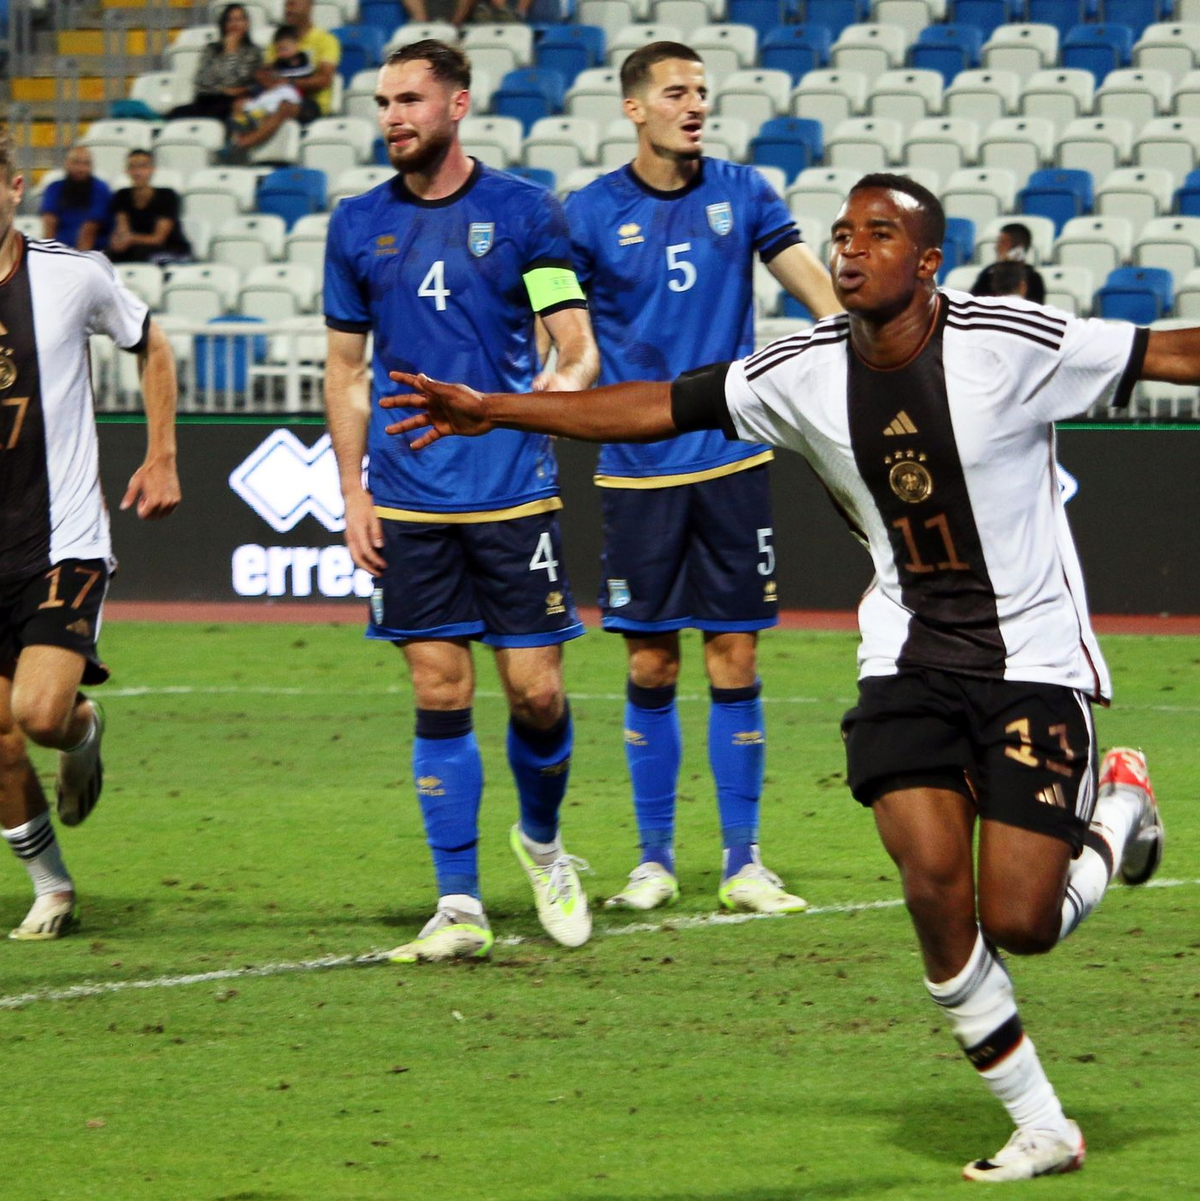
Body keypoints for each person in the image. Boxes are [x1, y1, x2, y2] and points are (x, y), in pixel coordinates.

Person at [384, 173, 1178, 1182]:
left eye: (879, 235)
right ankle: (1043, 1125)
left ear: (928, 263)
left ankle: (1116, 809)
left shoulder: (1010, 341)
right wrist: (499, 408)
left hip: (1033, 659)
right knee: (935, 891)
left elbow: (1173, 352)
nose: (849, 249)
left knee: (1023, 919)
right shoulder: (801, 369)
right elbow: (658, 407)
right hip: (907, 655)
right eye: (842, 233)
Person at [323, 41, 601, 964]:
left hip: (512, 494)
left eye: (410, 99)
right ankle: (458, 900)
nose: (393, 116)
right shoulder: (356, 223)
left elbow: (576, 346)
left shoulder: (526, 213)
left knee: (537, 693)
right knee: (438, 689)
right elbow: (345, 370)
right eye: (383, 101)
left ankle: (544, 843)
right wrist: (352, 490)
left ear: (458, 105)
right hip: (407, 500)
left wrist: (533, 414)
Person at [563, 42, 840, 915]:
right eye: (676, 92)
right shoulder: (587, 213)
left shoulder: (745, 192)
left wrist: (844, 337)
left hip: (730, 458)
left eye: (702, 93)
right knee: (649, 661)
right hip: (636, 469)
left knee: (736, 652)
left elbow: (819, 297)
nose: (695, 105)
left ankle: (743, 861)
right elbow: (563, 331)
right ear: (634, 108)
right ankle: (653, 859)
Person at [0, 132, 181, 940]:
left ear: (15, 187)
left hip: (62, 537)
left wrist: (164, 453)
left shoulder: (71, 274)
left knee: (39, 715)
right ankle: (52, 886)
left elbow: (151, 343)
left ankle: (81, 729)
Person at [224, 26, 305, 163]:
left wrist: (284, 80)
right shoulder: (272, 66)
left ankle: (241, 145)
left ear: (296, 47)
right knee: (239, 104)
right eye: (279, 50)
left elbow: (303, 81)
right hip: (267, 97)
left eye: (286, 49)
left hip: (287, 98)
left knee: (282, 106)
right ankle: (239, 135)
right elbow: (258, 77)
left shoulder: (301, 63)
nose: (282, 54)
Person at [168, 3, 262, 123]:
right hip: (206, 100)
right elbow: (201, 81)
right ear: (223, 24)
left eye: (239, 20)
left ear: (246, 24)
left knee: (218, 114)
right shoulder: (211, 49)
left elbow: (233, 81)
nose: (234, 24)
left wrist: (230, 53)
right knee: (176, 114)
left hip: (231, 103)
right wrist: (224, 89)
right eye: (230, 20)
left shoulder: (253, 52)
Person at [106, 148, 192, 265]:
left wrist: (130, 239)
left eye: (143, 166)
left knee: (143, 257)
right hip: (137, 248)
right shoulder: (122, 195)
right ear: (127, 171)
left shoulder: (167, 196)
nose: (138, 172)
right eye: (133, 167)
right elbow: (123, 229)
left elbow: (158, 238)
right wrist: (120, 241)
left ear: (152, 169)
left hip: (172, 249)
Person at [263, 0, 341, 122]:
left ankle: (244, 141)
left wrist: (289, 83)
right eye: (287, 5)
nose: (289, 9)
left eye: (293, 3)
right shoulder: (278, 41)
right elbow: (267, 74)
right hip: (279, 96)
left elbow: (324, 79)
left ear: (309, 5)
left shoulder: (326, 40)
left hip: (312, 103)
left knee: (284, 107)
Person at [39, 146, 112, 252]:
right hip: (58, 248)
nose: (81, 169)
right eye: (76, 163)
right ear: (67, 164)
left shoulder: (100, 189)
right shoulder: (54, 188)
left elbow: (91, 228)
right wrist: (48, 253)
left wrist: (78, 260)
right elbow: (49, 223)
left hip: (93, 252)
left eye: (86, 164)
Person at [971, 222, 1046, 305]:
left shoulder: (1033, 278)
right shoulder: (988, 273)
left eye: (1002, 242)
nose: (996, 247)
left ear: (1019, 247)